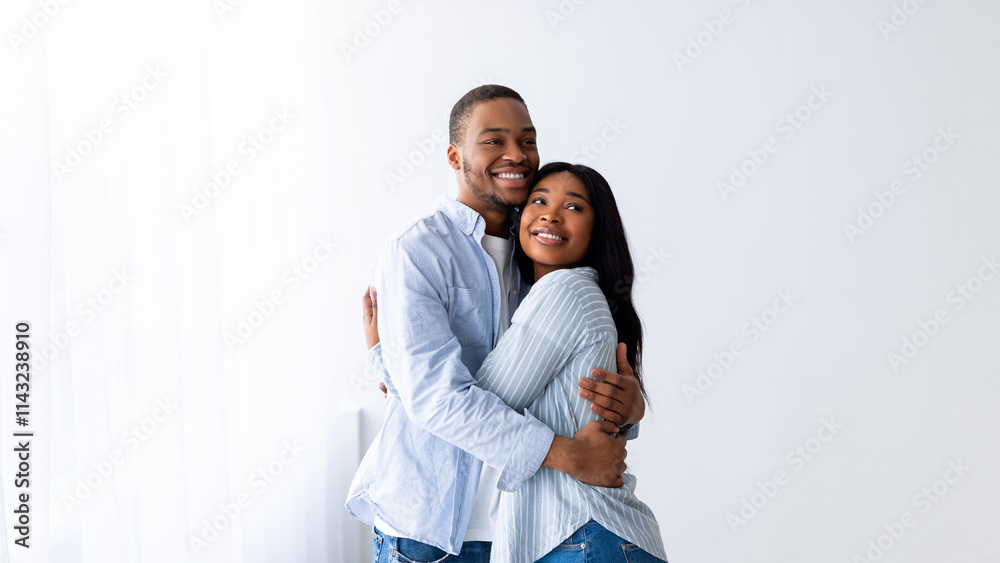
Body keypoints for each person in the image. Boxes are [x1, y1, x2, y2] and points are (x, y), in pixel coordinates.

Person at [346, 85, 647, 562]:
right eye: (494, 140)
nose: (517, 155)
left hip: (524, 530)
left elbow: (563, 389)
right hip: (432, 532)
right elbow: (437, 397)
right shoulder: (417, 251)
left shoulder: (543, 254)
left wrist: (628, 412)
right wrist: (568, 455)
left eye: (527, 141)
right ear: (454, 155)